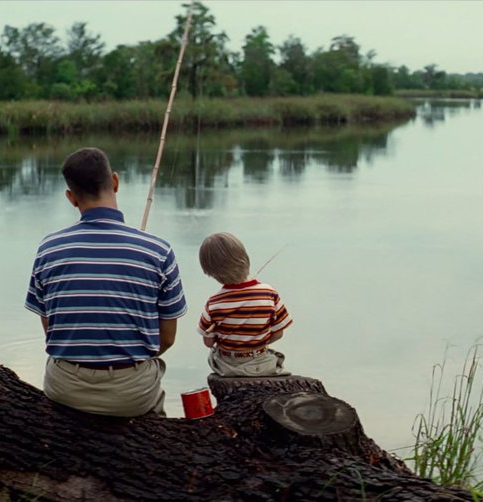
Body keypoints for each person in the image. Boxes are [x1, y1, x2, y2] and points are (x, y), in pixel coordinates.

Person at [25, 147, 187, 417]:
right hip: (131, 394)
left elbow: (52, 329)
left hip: (66, 389)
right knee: (154, 389)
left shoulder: (48, 249)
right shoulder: (158, 250)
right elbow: (167, 338)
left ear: (71, 198)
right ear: (115, 181)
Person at [196, 232, 292, 377]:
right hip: (260, 361)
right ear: (245, 259)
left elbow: (208, 343)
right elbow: (278, 333)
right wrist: (257, 341)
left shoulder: (213, 303)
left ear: (210, 271)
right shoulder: (269, 293)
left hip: (226, 366)